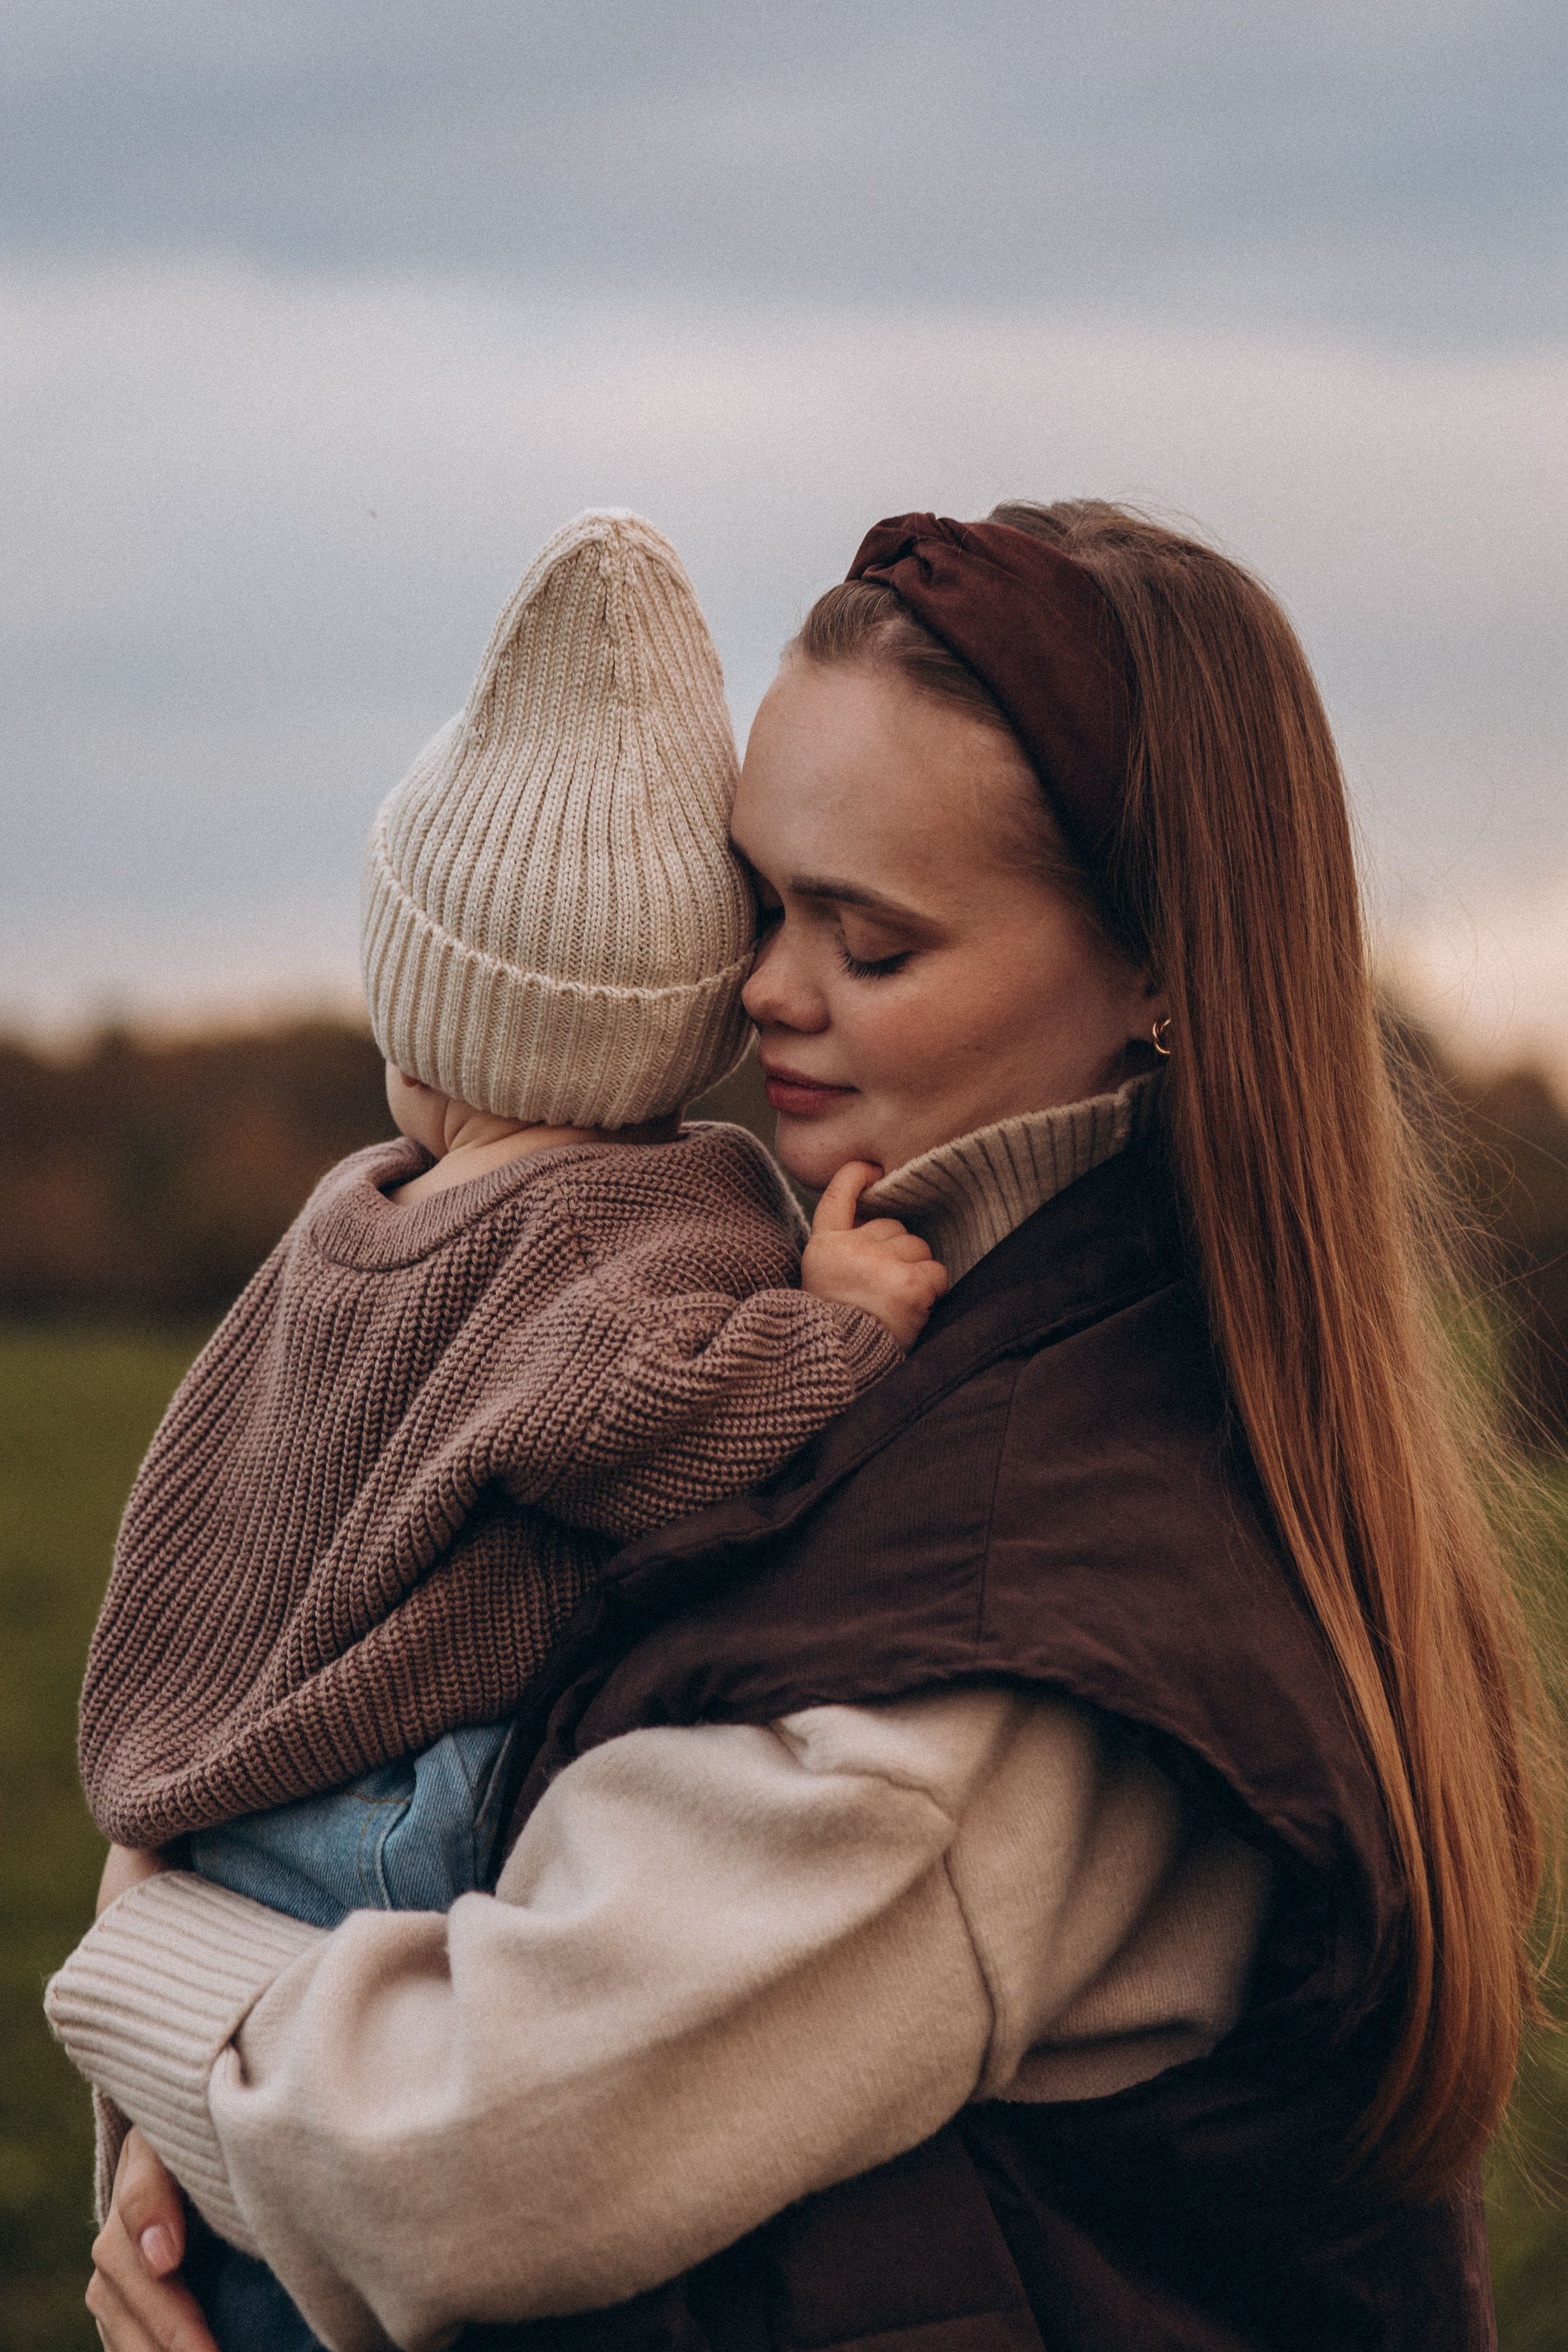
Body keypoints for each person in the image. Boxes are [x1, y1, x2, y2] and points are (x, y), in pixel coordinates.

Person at [49, 502, 1550, 2352]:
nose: (766, 990)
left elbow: (451, 2158)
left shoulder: (1020, 1629)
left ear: (1160, 974)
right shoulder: (936, 1340)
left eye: (876, 941)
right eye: (764, 902)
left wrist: (150, 1944)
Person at [56, 506, 946, 2346]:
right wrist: (833, 1336)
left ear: (426, 1014)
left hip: (261, 1810)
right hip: (411, 1809)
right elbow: (644, 1422)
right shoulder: (633, 1223)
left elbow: (212, 1484)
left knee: (242, 2247)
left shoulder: (359, 1212)